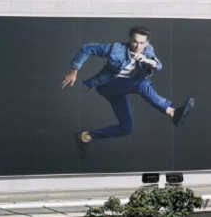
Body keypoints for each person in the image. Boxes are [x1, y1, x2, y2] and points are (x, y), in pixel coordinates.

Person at [61, 26, 195, 160]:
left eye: (142, 43)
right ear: (129, 39)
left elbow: (158, 66)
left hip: (121, 88)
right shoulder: (115, 49)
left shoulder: (148, 50)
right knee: (141, 84)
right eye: (135, 42)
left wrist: (146, 60)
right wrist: (73, 72)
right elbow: (87, 48)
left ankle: (85, 137)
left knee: (126, 128)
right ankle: (172, 112)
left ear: (147, 43)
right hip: (107, 85)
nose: (138, 46)